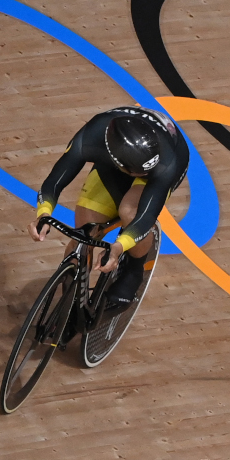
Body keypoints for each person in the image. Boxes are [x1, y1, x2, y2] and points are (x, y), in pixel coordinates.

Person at [28, 106, 188, 310]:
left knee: (130, 212)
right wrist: (43, 214)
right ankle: (71, 297)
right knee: (85, 232)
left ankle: (134, 270)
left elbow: (146, 216)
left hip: (167, 157)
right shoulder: (90, 137)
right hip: (117, 159)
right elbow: (54, 182)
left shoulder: (166, 163)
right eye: (134, 172)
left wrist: (119, 246)